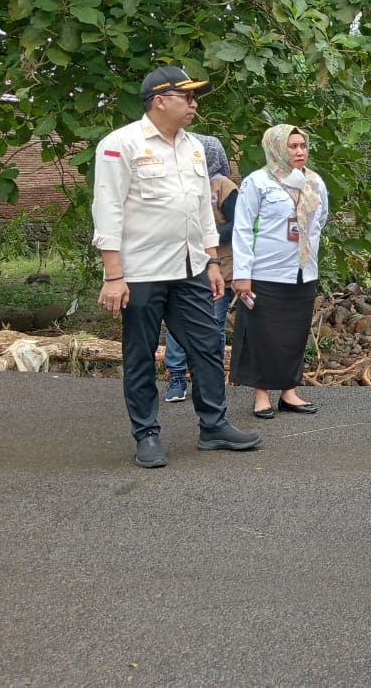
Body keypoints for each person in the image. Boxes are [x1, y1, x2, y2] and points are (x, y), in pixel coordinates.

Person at [91, 66, 262, 468]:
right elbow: (108, 209)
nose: (194, 104)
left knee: (207, 345)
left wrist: (212, 261)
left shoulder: (194, 148)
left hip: (191, 269)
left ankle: (213, 425)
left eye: (194, 97)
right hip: (141, 272)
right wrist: (114, 275)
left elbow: (202, 210)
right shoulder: (120, 144)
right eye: (187, 97)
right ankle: (147, 435)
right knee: (140, 354)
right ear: (159, 101)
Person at [230, 124, 330, 418]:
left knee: (294, 333)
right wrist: (242, 273)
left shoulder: (314, 181)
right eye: (292, 146)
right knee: (262, 334)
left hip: (302, 270)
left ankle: (289, 391)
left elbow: (321, 218)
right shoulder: (257, 182)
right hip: (265, 271)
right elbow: (242, 228)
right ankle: (261, 394)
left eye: (303, 146)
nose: (300, 151)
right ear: (276, 148)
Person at [163, 133, 238, 403]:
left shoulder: (223, 186)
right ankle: (177, 376)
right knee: (177, 323)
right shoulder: (177, 183)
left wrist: (207, 237)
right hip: (181, 267)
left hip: (220, 268)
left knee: (214, 325)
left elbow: (238, 224)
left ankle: (210, 377)